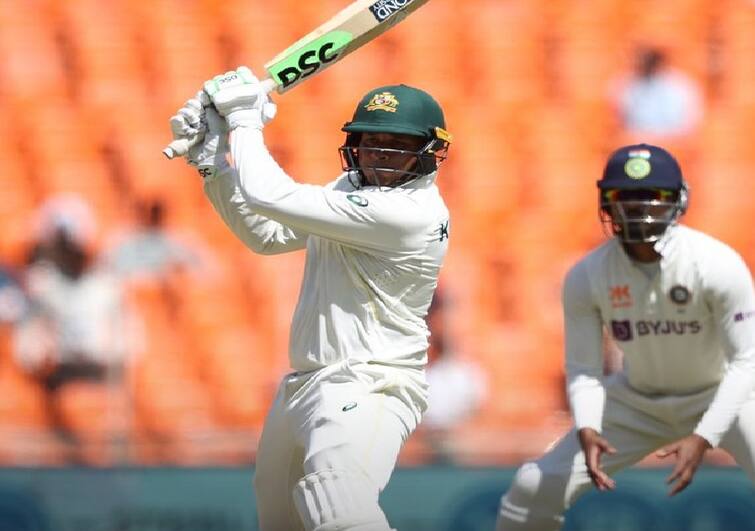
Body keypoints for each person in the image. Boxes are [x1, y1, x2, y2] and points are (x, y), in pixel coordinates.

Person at [168, 67, 452, 530]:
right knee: (282, 522)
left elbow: (270, 197)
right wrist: (211, 159)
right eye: (370, 142)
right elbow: (266, 234)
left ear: (427, 154)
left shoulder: (409, 214)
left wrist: (244, 120)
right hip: (304, 384)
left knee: (338, 502)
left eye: (396, 147)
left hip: (371, 383)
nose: (379, 156)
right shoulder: (351, 191)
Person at [496, 144, 755, 530]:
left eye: (653, 197)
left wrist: (704, 435)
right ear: (606, 203)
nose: (639, 209)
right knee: (533, 486)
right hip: (636, 402)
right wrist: (588, 424)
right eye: (625, 197)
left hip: (720, 395)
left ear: (678, 200)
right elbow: (583, 368)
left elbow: (746, 362)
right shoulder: (587, 275)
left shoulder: (716, 264)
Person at [614, 47, 703, 139]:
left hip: (672, 143)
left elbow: (689, 124)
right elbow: (620, 120)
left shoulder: (681, 85)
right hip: (635, 142)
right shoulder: (626, 83)